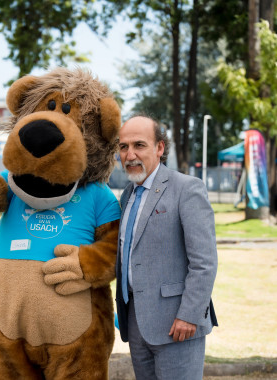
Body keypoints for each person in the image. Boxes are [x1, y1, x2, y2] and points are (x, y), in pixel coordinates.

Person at [116, 115, 218, 380]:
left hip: (178, 324)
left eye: (139, 145)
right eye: (123, 146)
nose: (130, 154)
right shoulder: (127, 194)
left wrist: (189, 315)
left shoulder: (187, 188)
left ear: (159, 148)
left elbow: (204, 262)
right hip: (137, 324)